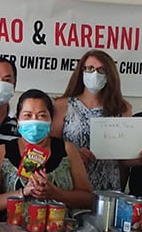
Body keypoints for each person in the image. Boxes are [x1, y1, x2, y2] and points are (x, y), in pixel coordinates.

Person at [0, 89, 93, 215]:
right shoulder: (2, 152)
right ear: (18, 121)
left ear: (51, 121)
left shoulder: (68, 150)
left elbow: (88, 199)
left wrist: (55, 193)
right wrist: (22, 192)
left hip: (60, 231)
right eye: (27, 115)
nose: (34, 121)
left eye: (42, 115)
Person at [51, 49, 132, 191]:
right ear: (81, 71)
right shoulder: (63, 105)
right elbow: (51, 145)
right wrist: (73, 154)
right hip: (70, 185)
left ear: (109, 74)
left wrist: (139, 157)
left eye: (101, 70)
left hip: (107, 187)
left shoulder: (123, 108)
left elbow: (124, 158)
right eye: (90, 68)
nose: (95, 74)